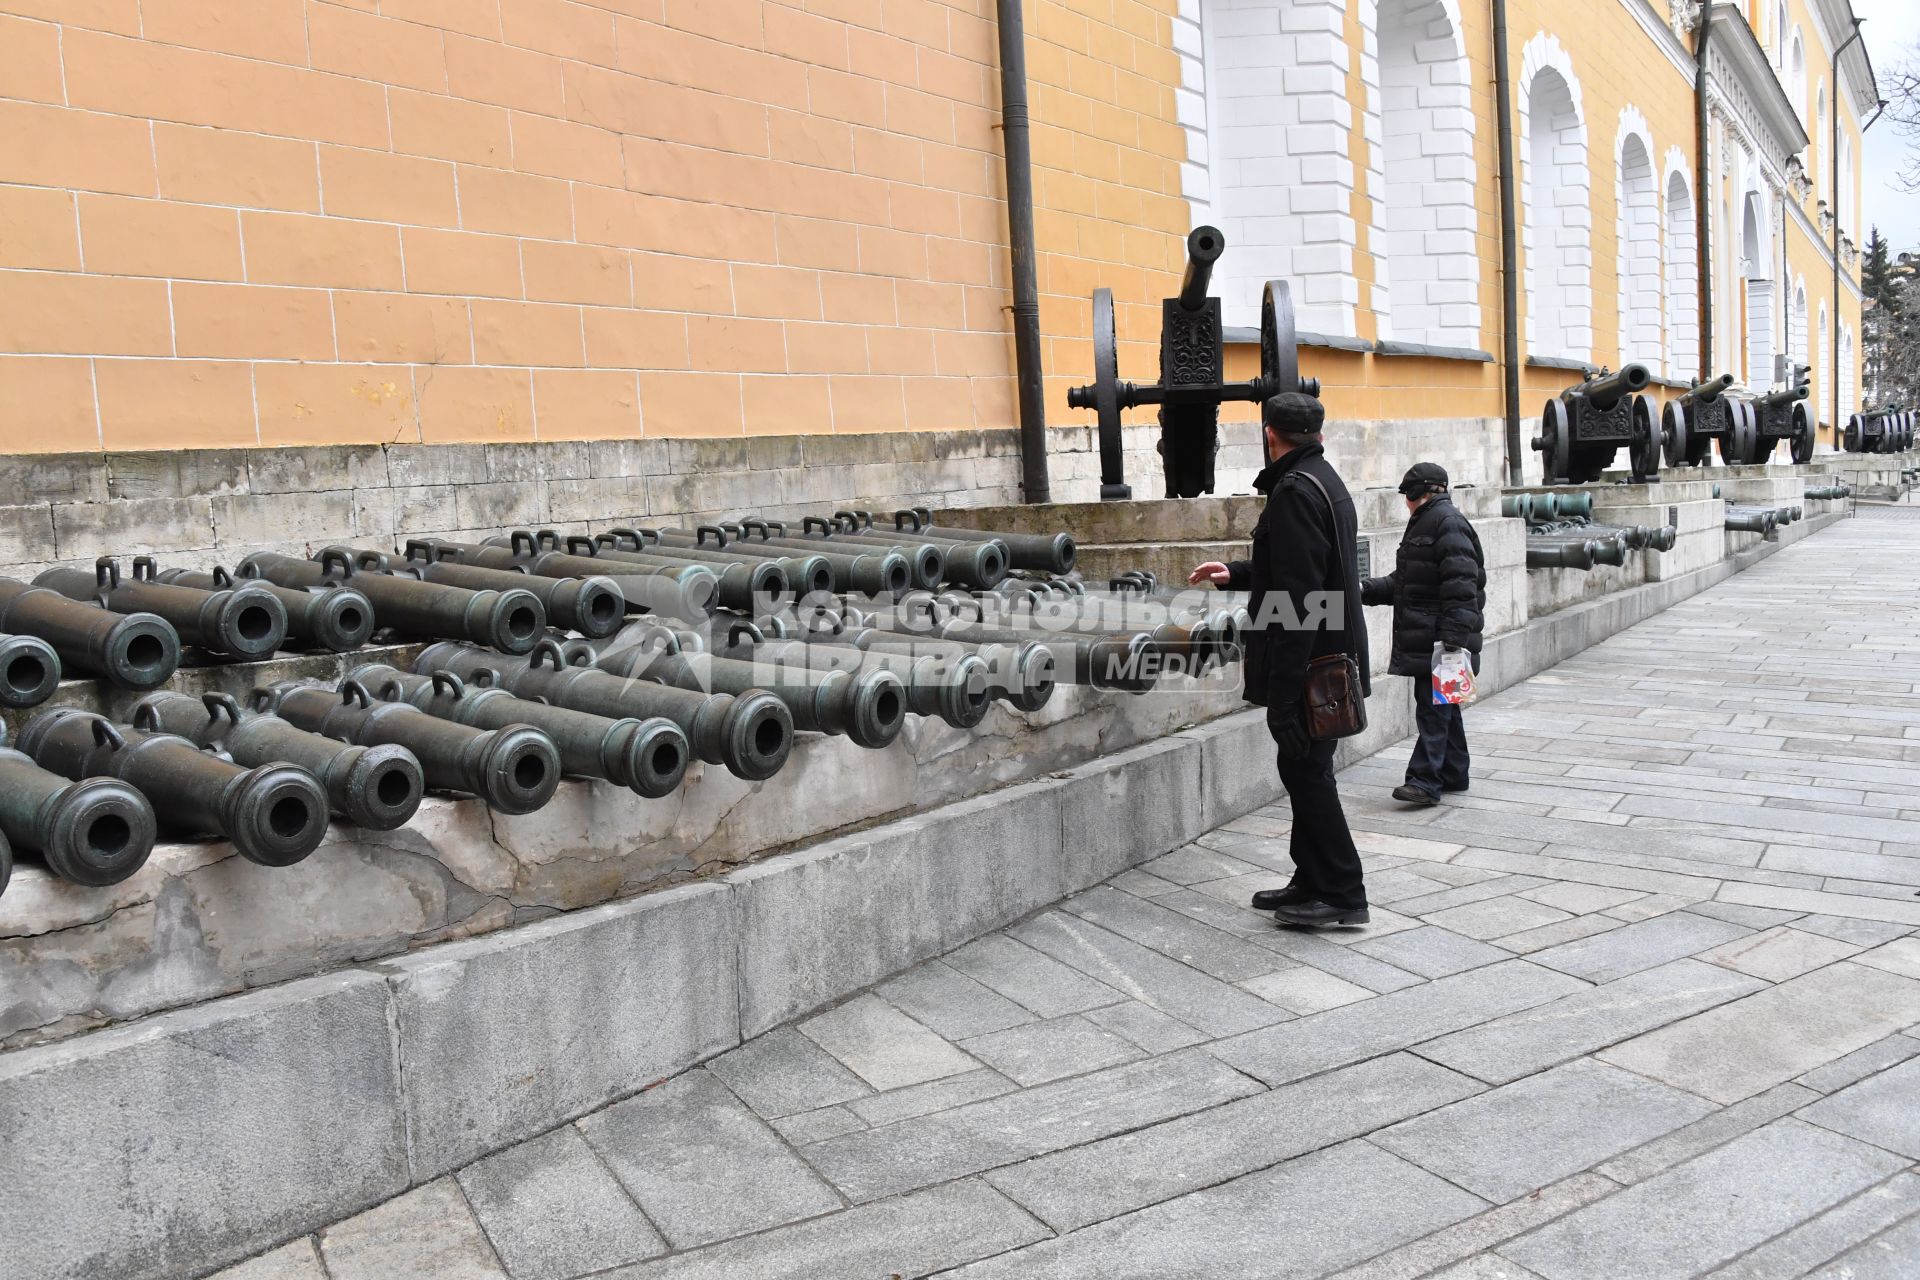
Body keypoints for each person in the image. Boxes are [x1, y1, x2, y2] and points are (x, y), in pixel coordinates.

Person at [1189, 392, 1371, 927]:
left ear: (1270, 433)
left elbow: (1298, 601)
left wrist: (1285, 695)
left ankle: (1342, 892)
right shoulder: (1325, 480)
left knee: (1308, 772)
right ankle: (1310, 879)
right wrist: (1237, 573)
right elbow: (1299, 571)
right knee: (1304, 769)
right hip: (1329, 656)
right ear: (1317, 432)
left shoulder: (1294, 491)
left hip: (1310, 666)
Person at [1361, 462, 1486, 807]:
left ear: (1419, 494)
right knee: (1444, 707)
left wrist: (1452, 641)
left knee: (1433, 711)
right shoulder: (1434, 522)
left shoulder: (1445, 523)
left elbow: (1462, 587)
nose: (1406, 503)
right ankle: (1455, 772)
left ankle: (1425, 782)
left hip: (1442, 642)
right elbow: (1408, 583)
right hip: (1439, 639)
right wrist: (1366, 589)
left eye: (1407, 496)